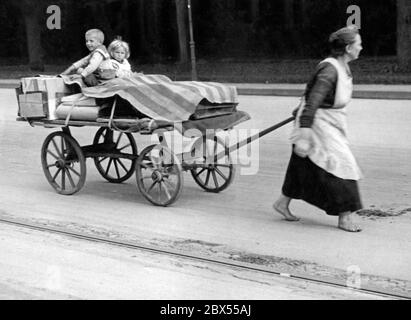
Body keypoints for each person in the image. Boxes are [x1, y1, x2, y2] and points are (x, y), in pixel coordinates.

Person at [273, 25, 364, 232]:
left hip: (329, 120)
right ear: (349, 48)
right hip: (317, 124)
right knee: (343, 164)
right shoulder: (330, 69)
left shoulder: (341, 67)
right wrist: (304, 134)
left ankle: (282, 203)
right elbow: (313, 100)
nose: (361, 47)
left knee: (302, 164)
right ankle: (345, 216)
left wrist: (299, 110)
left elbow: (313, 93)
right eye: (358, 44)